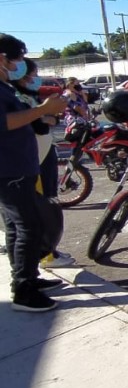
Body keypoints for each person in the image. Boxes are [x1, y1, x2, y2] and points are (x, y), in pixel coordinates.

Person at [0, 33, 68, 312]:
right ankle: (25, 290)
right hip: (9, 169)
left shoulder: (4, 86)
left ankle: (25, 279)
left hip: (17, 166)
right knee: (29, 226)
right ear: (2, 58)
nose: (19, 64)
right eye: (16, 58)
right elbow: (5, 122)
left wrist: (43, 115)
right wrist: (43, 109)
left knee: (18, 226)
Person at [13, 59, 74, 268]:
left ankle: (44, 254)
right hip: (31, 160)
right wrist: (46, 115)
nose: (35, 78)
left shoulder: (26, 96)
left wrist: (49, 117)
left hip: (39, 155)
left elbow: (44, 121)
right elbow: (38, 125)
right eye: (32, 74)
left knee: (43, 207)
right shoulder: (14, 96)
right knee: (39, 212)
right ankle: (45, 256)